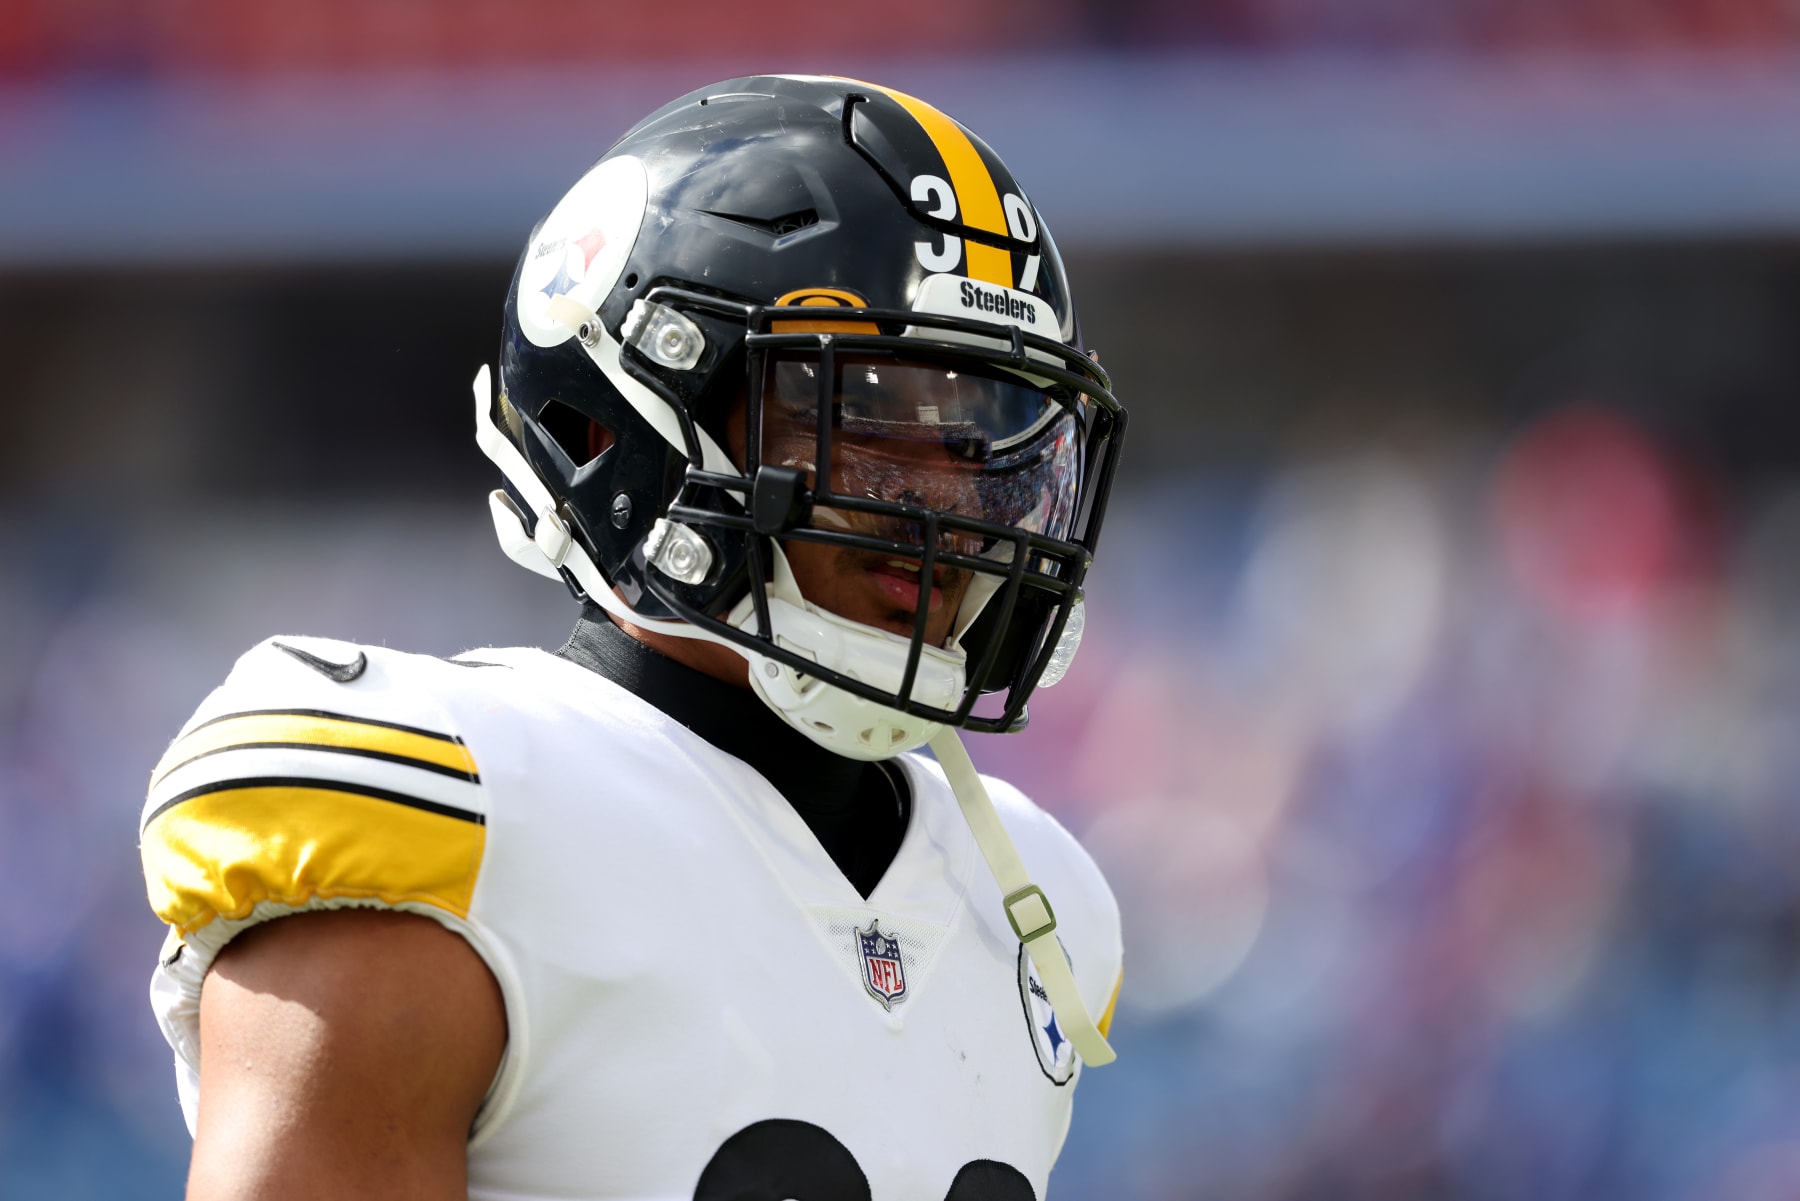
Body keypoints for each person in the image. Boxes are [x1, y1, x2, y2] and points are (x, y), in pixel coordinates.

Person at [140, 74, 1129, 1200]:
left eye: (989, 440)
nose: (947, 508)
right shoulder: (455, 805)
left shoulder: (1037, 899)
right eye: (875, 419)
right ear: (628, 413)